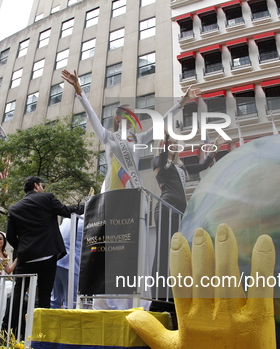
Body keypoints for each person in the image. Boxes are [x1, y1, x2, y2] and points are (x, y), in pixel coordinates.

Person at [62, 69, 201, 192]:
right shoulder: (107, 136)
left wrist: (184, 100)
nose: (133, 117)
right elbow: (91, 114)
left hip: (133, 188)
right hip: (112, 188)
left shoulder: (139, 138)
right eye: (128, 114)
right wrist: (77, 87)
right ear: (117, 119)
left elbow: (162, 120)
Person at [151, 134, 224, 303]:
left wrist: (215, 148)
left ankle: (177, 294)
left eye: (176, 143)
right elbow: (162, 155)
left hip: (180, 213)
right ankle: (159, 296)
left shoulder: (180, 167)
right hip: (166, 209)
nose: (174, 145)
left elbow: (204, 165)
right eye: (171, 143)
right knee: (164, 251)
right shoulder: (159, 162)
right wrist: (167, 136)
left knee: (180, 252)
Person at [5, 176, 84, 332]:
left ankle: (10, 331)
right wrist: (87, 206)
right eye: (42, 185)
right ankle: (42, 333)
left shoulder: (14, 208)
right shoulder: (46, 198)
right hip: (47, 256)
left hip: (25, 258)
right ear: (36, 185)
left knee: (18, 295)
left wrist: (23, 248)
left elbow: (10, 236)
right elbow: (67, 211)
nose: (43, 188)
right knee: (45, 295)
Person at [51, 217, 83, 309]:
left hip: (56, 261)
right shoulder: (86, 221)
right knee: (71, 302)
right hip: (71, 264)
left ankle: (52, 322)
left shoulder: (66, 220)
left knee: (54, 300)